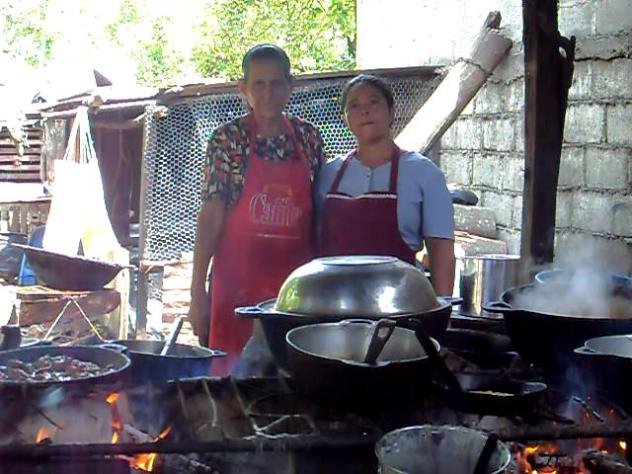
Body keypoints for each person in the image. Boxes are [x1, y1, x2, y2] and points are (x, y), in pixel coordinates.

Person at [189, 44, 325, 376]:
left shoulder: (308, 138)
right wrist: (197, 294)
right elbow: (211, 216)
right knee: (232, 388)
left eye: (276, 83)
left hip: (294, 295)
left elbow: (320, 215)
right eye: (259, 84)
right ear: (243, 88)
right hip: (235, 295)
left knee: (292, 384)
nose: (268, 93)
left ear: (290, 86)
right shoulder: (227, 140)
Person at [315, 74, 455, 295]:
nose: (364, 111)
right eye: (354, 105)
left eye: (373, 102)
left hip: (400, 304)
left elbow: (441, 250)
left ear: (391, 112)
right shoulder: (328, 174)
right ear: (345, 119)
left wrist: (443, 308)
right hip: (335, 303)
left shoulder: (425, 173)